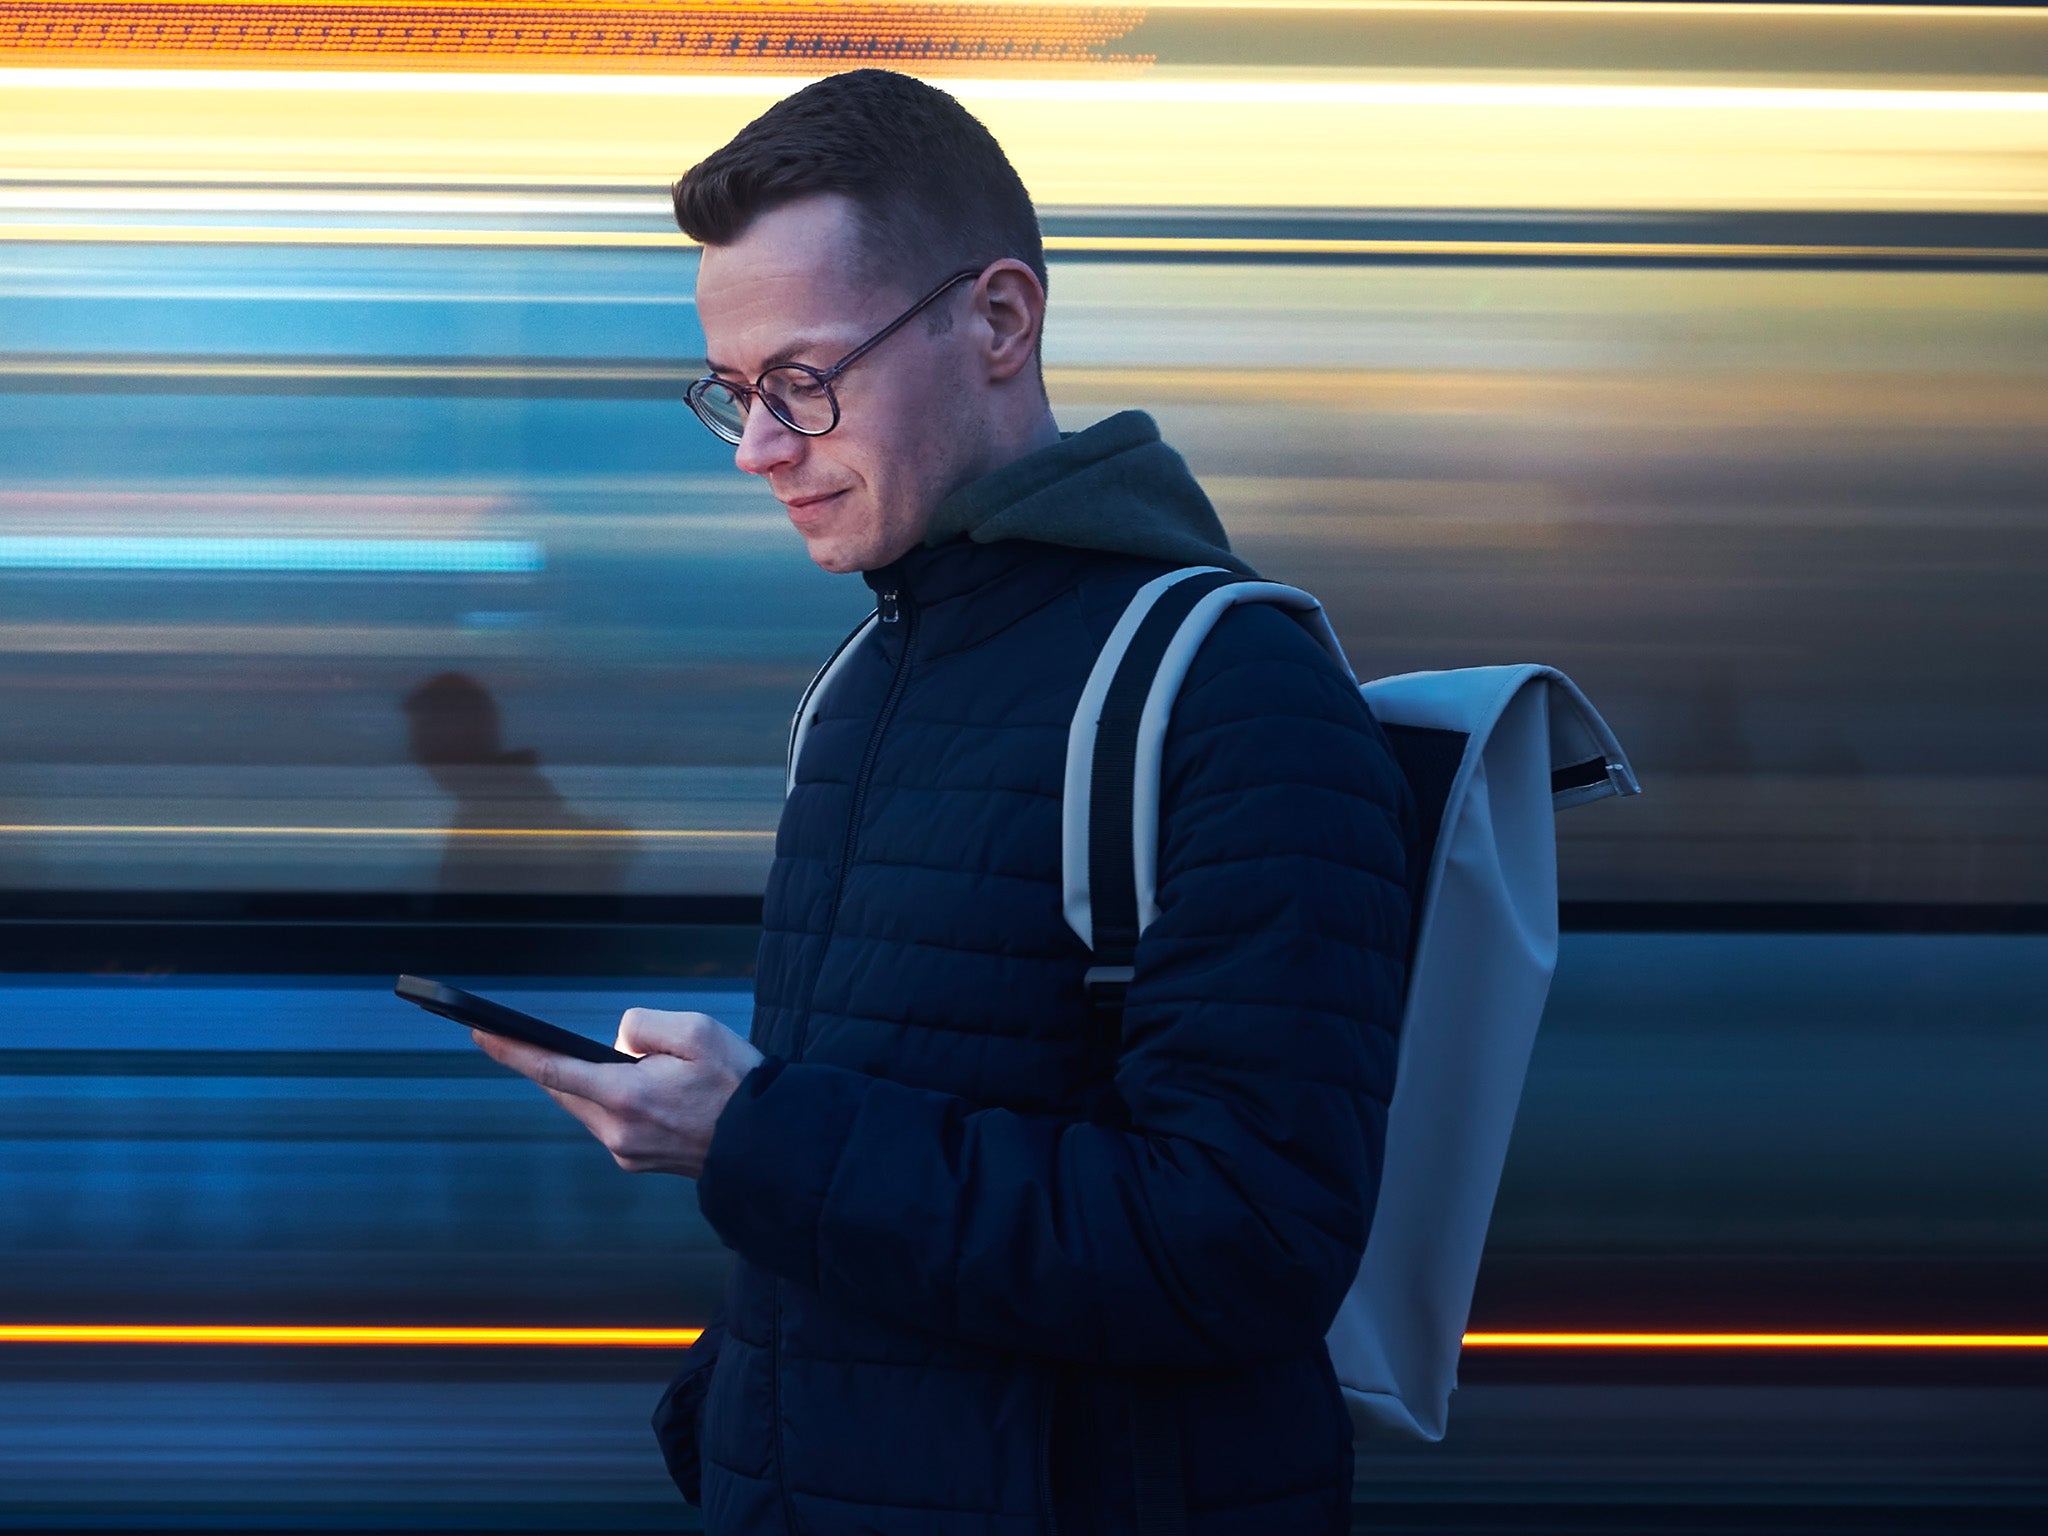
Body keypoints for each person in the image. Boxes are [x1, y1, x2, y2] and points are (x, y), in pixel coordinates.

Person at [469, 68, 1416, 1536]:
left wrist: (755, 1136)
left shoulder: (1227, 690)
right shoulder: (858, 689)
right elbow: (887, 1157)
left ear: (998, 321)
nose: (756, 448)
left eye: (804, 380)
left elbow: (1244, 1244)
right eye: (733, 391)